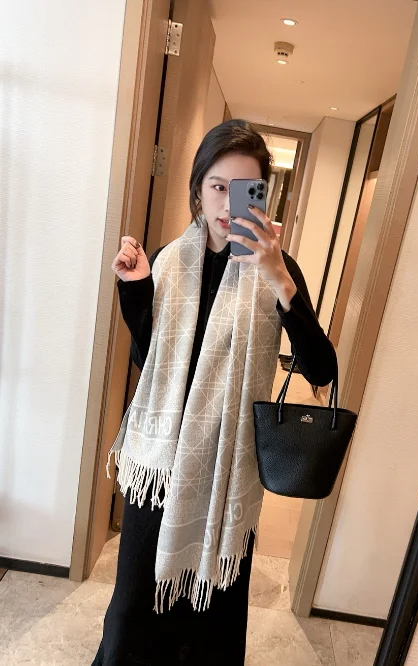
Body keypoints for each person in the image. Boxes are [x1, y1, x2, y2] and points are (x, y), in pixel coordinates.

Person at [92, 119, 337, 666]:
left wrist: (280, 281)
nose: (228, 204)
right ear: (198, 189)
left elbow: (320, 368)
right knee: (131, 612)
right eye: (217, 186)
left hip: (225, 469)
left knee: (209, 622)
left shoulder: (278, 270)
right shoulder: (168, 260)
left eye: (243, 189)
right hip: (157, 467)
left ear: (262, 197)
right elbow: (147, 360)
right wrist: (136, 290)